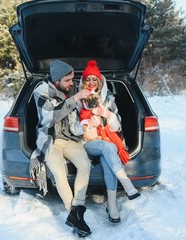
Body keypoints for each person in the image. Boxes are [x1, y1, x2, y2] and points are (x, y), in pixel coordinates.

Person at [29, 60, 92, 237]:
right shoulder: (40, 91)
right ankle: (73, 214)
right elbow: (52, 116)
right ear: (56, 80)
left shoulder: (69, 90)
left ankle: (75, 211)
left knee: (85, 165)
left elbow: (76, 118)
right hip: (50, 140)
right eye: (68, 80)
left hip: (70, 139)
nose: (72, 83)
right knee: (59, 172)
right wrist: (76, 98)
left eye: (72, 80)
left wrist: (85, 125)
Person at [77, 60, 140, 223]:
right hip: (87, 143)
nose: (91, 83)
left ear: (100, 81)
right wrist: (88, 124)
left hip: (107, 141)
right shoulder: (78, 99)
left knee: (108, 154)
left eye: (94, 79)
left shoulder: (109, 99)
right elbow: (72, 126)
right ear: (83, 82)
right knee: (107, 147)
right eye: (87, 80)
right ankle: (127, 185)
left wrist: (108, 114)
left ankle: (112, 206)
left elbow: (117, 127)